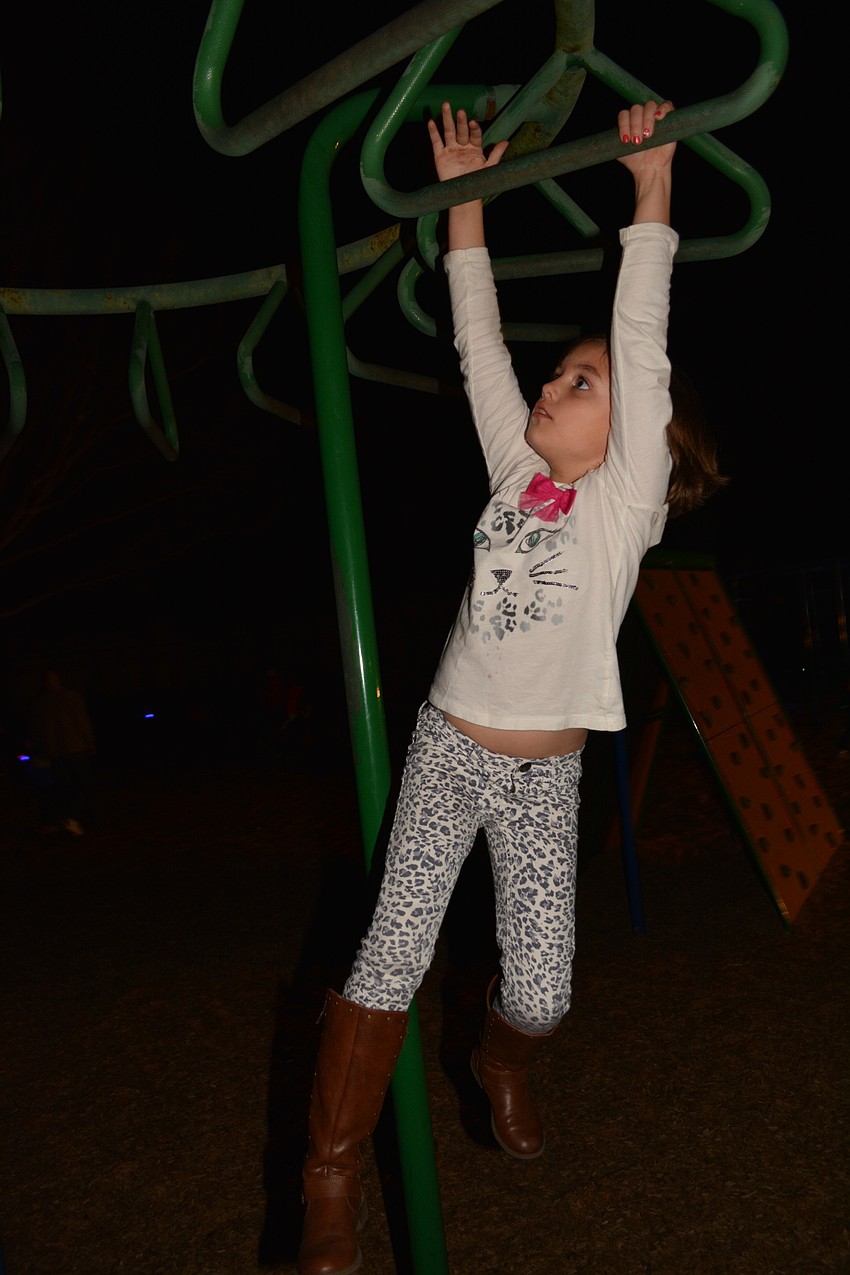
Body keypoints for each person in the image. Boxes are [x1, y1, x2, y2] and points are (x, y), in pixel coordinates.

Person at [296, 99, 726, 1275]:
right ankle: (329, 1176)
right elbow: (478, 345)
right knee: (387, 954)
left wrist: (651, 189)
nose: (553, 384)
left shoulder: (621, 507)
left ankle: (500, 1060)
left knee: (541, 991)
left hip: (544, 781)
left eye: (581, 383)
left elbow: (640, 342)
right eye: (562, 372)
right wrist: (464, 204)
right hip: (450, 746)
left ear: (635, 434)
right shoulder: (510, 469)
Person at [28, 668, 96, 836]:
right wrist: (89, 740)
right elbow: (82, 720)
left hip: (54, 751)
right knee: (83, 782)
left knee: (66, 785)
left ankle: (65, 818)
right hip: (75, 746)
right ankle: (71, 817)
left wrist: (40, 748)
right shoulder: (71, 697)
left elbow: (36, 729)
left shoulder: (39, 703)